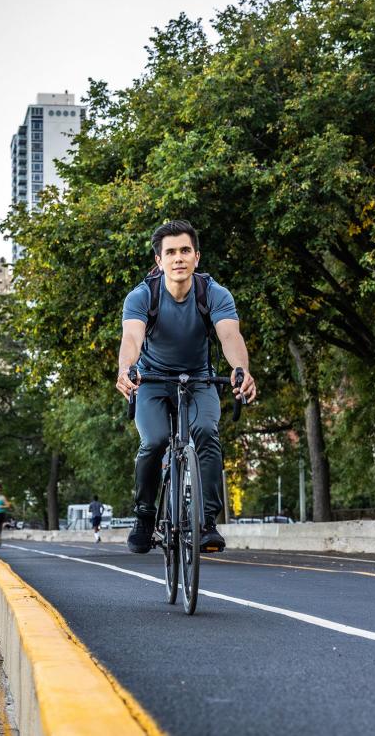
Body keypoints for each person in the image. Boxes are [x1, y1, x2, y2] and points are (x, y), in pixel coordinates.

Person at [116, 220, 257, 555]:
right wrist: (126, 369)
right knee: (154, 441)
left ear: (196, 257)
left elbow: (229, 336)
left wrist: (241, 370)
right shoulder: (142, 296)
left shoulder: (214, 293)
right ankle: (145, 515)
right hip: (152, 380)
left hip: (199, 378)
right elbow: (132, 337)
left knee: (207, 431)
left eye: (184, 251)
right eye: (170, 252)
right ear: (159, 260)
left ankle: (208, 521)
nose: (178, 258)